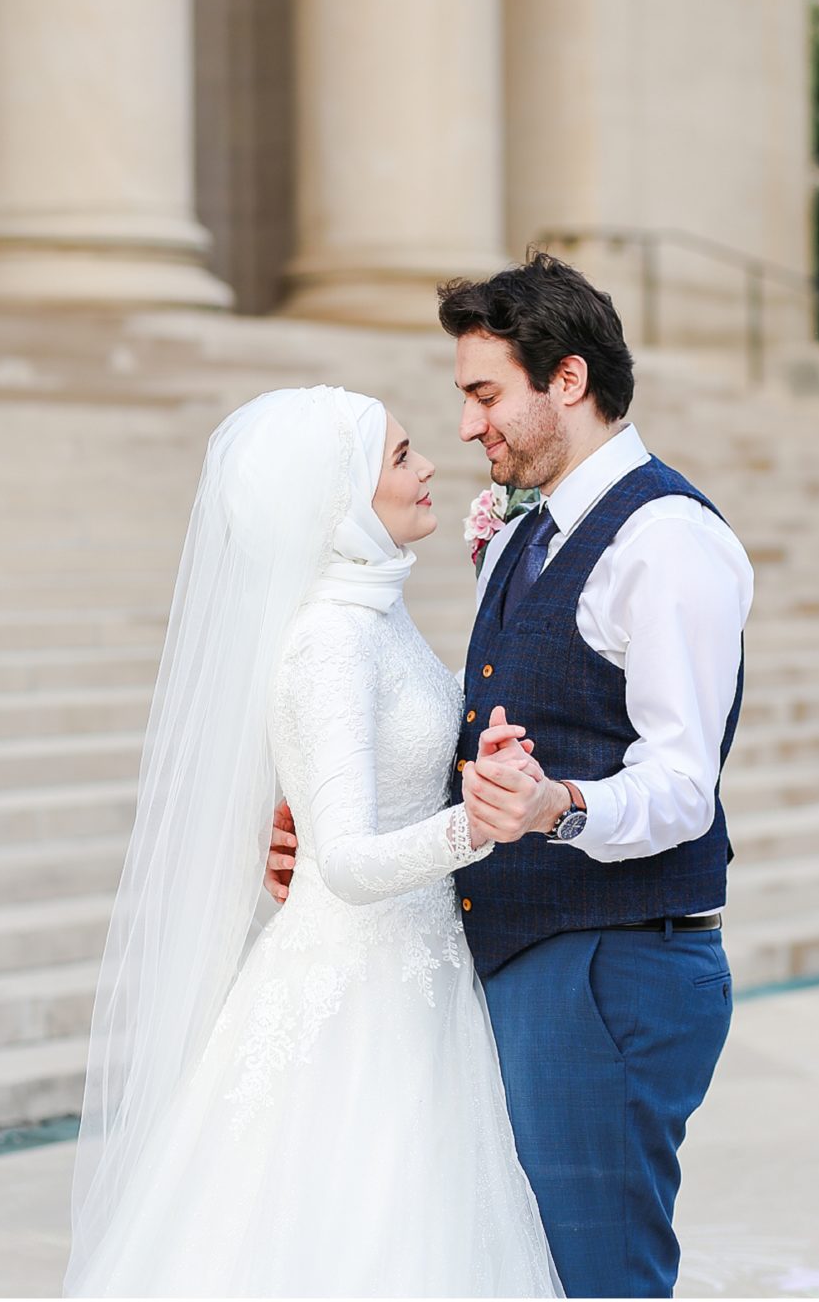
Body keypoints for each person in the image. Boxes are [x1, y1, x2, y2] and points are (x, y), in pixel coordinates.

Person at [269, 254, 753, 1298]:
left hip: (611, 965)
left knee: (595, 1275)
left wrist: (556, 806)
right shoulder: (522, 527)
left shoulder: (665, 541)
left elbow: (681, 782)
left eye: (485, 394)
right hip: (527, 956)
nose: (466, 426)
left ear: (566, 382)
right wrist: (339, 817)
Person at [63, 386, 560, 1298]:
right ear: (339, 496)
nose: (428, 467)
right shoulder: (331, 640)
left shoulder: (373, 611)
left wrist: (474, 767)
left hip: (416, 977)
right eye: (402, 455)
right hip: (355, 994)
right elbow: (349, 861)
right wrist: (479, 822)